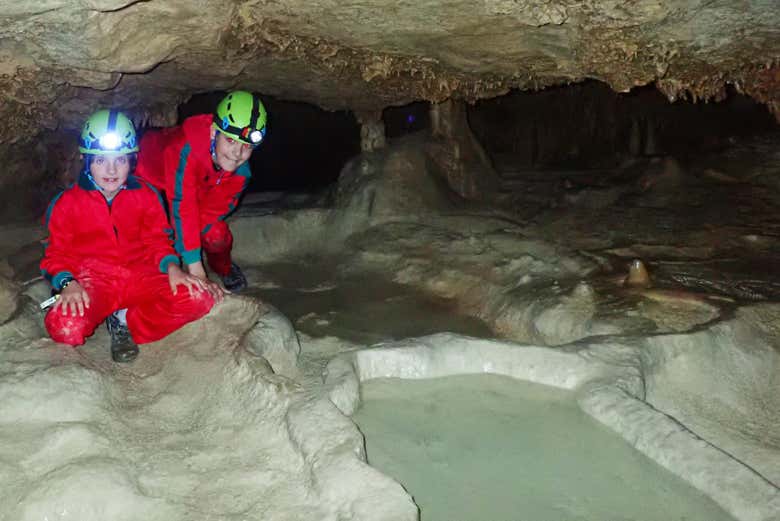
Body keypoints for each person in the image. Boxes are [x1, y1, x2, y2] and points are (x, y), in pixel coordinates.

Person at [41, 109, 219, 363]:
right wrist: (68, 284)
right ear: (86, 159)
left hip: (141, 274)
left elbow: (158, 241)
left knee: (199, 298)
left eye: (120, 160)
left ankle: (125, 320)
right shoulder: (66, 203)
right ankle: (102, 311)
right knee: (65, 328)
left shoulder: (146, 194)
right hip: (94, 279)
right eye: (101, 160)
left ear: (132, 160)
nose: (111, 169)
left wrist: (172, 268)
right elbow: (56, 255)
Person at [136, 90, 268, 292]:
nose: (237, 153)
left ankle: (223, 268)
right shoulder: (185, 149)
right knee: (149, 228)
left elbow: (209, 214)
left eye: (247, 146)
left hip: (196, 185)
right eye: (231, 140)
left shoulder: (241, 173)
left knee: (216, 233)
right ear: (214, 132)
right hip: (149, 175)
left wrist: (188, 247)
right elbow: (182, 203)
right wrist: (195, 268)